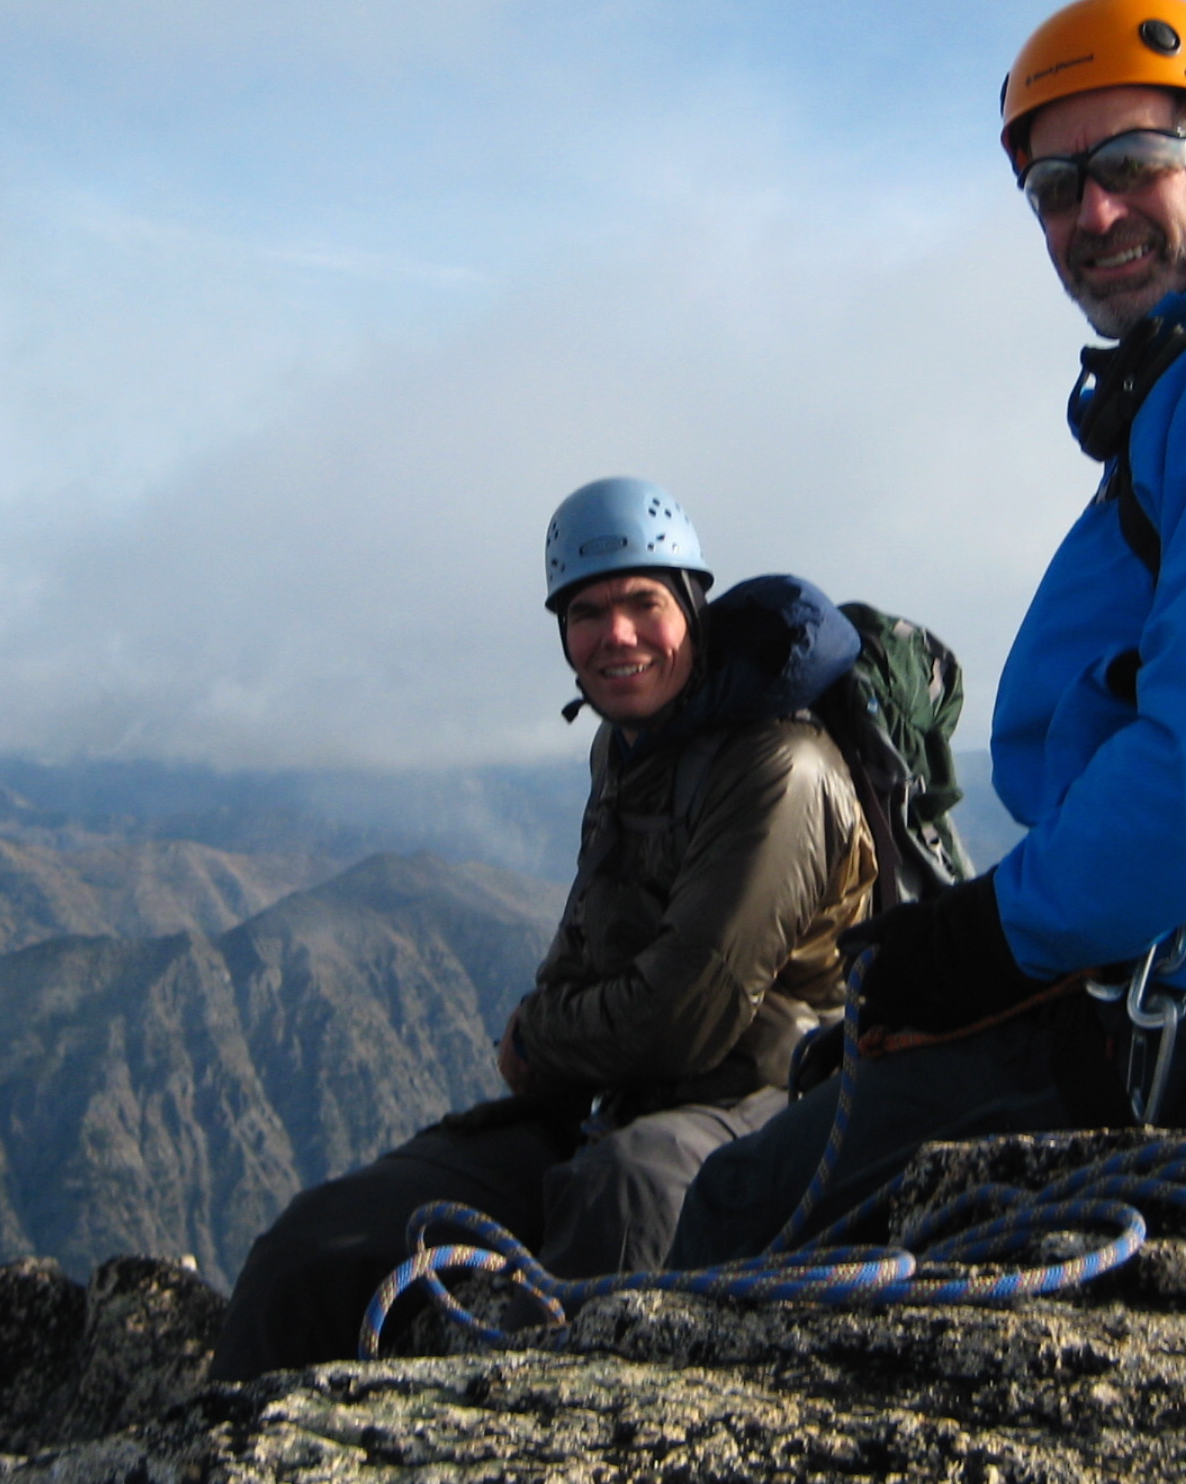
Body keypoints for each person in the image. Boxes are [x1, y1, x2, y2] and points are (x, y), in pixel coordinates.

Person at [672, 0, 1186, 1260]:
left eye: (1132, 164)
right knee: (825, 1103)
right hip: (1171, 964)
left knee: (739, 1208)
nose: (1090, 214)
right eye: (1053, 187)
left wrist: (978, 948)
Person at [211, 476, 875, 1375]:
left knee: (626, 1197)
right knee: (315, 1245)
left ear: (693, 607)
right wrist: (544, 1046)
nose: (618, 636)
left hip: (760, 1100)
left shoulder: (779, 769)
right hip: (613, 1097)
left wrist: (537, 1037)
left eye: (645, 602)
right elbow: (586, 944)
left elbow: (688, 1013)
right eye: (587, 612)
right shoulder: (626, 748)